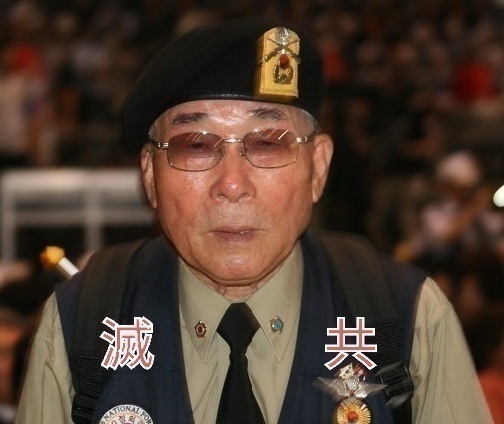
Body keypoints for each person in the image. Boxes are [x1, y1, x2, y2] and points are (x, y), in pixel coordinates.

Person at [14, 17, 492, 424]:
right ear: (150, 176)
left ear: (318, 169)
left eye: (267, 143)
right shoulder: (83, 323)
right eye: (195, 146)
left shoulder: (406, 319)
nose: (232, 183)